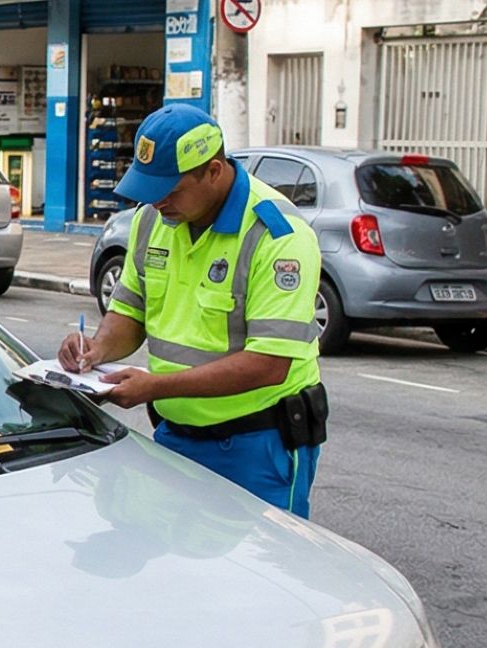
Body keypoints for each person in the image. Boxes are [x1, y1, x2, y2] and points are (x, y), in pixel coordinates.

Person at [59, 104, 328, 516]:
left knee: (256, 576)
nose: (159, 201)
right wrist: (96, 351)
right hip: (176, 437)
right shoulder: (153, 220)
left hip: (258, 445)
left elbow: (269, 364)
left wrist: (154, 387)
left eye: (171, 188)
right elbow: (130, 311)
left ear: (214, 171)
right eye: (150, 188)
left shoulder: (277, 237)